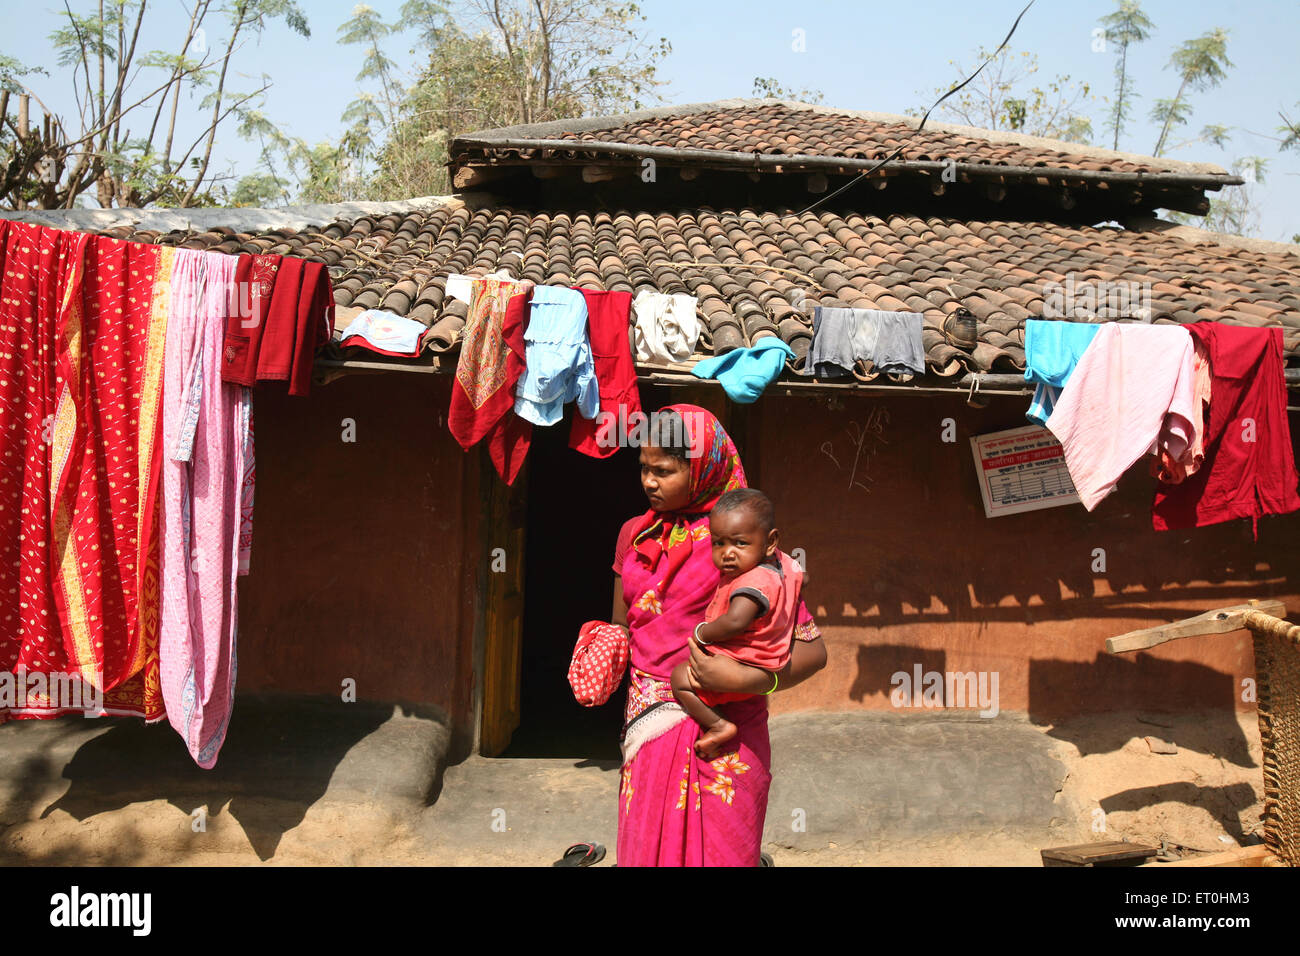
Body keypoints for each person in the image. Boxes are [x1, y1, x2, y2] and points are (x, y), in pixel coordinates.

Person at [609, 404, 827, 866]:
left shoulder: (735, 542)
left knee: (723, 850)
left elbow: (813, 651)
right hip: (649, 724)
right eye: (644, 469)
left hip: (728, 729)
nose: (650, 481)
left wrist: (753, 680)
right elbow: (625, 624)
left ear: (705, 467)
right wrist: (603, 646)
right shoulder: (636, 534)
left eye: (664, 471)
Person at [670, 488, 803, 761]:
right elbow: (802, 575)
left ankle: (719, 724)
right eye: (719, 543)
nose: (728, 553)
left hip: (743, 663)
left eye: (739, 544)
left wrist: (703, 633)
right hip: (759, 665)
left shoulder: (753, 581)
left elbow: (735, 621)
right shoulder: (783, 566)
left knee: (679, 679)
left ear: (770, 542)